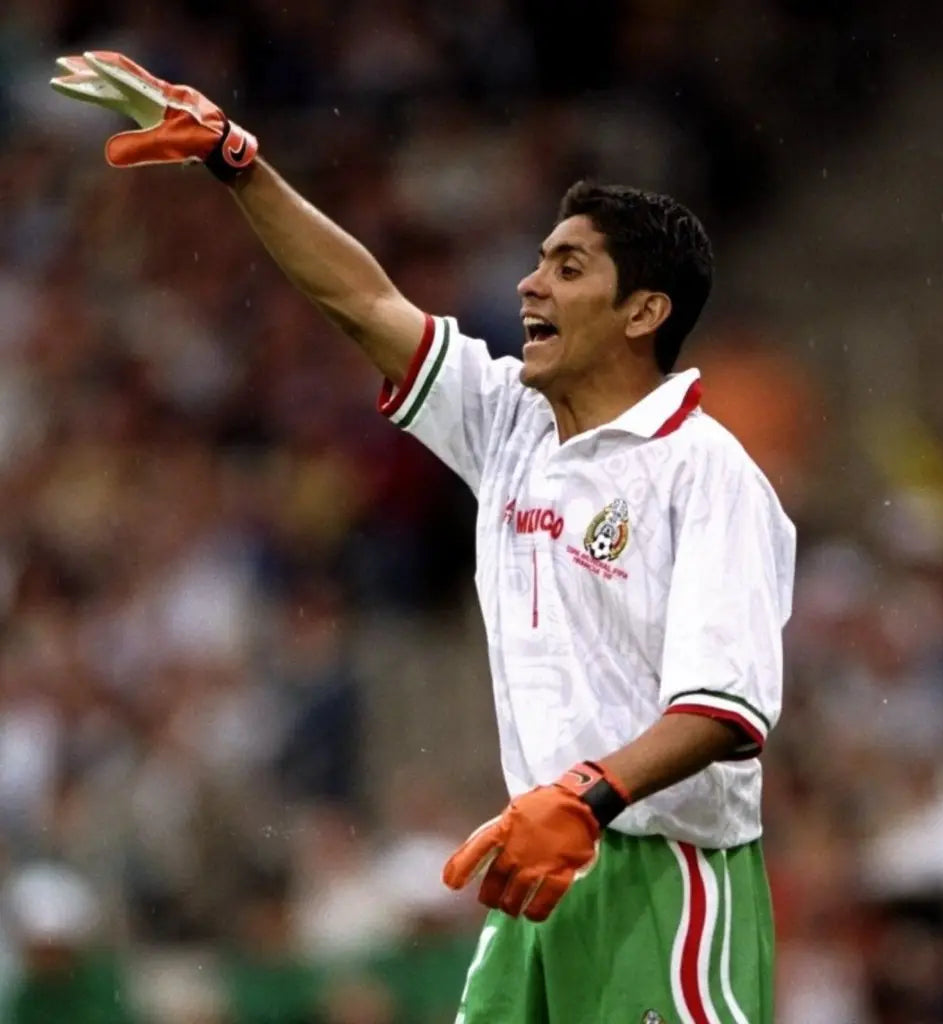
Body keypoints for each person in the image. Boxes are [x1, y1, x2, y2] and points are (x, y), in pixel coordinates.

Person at [51, 52, 796, 1023]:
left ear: (644, 313)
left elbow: (725, 709)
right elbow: (363, 302)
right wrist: (239, 163)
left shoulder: (705, 472)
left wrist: (586, 796)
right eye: (539, 259)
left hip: (666, 873)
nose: (529, 283)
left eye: (568, 268)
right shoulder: (511, 421)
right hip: (543, 864)